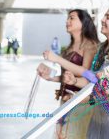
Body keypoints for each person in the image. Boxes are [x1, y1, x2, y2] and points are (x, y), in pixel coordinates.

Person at [43, 6, 109, 139]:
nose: (103, 20)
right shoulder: (102, 49)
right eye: (104, 16)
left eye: (108, 17)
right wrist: (74, 81)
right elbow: (92, 80)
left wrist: (81, 99)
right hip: (98, 117)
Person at [37, 9, 99, 139]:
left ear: (84, 22)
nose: (67, 21)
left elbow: (85, 76)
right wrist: (50, 77)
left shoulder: (90, 46)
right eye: (67, 18)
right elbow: (67, 77)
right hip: (65, 101)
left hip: (81, 103)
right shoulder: (69, 47)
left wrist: (57, 59)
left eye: (72, 18)